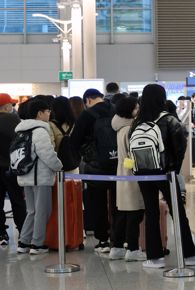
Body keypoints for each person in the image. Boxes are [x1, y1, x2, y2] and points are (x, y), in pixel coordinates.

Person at [133, 84, 195, 268]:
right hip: (166, 173)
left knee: (151, 211)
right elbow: (180, 145)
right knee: (177, 212)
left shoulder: (138, 121)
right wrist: (173, 167)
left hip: (143, 173)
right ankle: (189, 255)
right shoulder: (168, 119)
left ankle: (154, 257)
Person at [71, 88, 117, 253]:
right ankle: (118, 239)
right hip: (118, 165)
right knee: (118, 202)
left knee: (97, 203)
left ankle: (103, 240)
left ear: (88, 100)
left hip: (95, 166)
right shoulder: (115, 110)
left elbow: (75, 141)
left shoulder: (87, 115)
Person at [15, 99, 63, 255]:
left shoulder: (22, 130)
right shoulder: (40, 131)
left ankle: (23, 242)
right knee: (42, 210)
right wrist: (58, 167)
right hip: (40, 177)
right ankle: (37, 244)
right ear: (39, 113)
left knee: (31, 210)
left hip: (25, 175)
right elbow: (47, 154)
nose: (49, 114)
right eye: (47, 111)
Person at [108, 96, 147, 261]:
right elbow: (136, 154)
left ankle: (117, 247)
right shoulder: (131, 129)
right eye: (136, 108)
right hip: (132, 175)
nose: (138, 110)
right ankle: (132, 248)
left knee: (123, 213)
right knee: (134, 213)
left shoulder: (120, 128)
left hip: (122, 174)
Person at [0, 93, 25, 246]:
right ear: (6, 106)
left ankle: (1, 233)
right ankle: (23, 232)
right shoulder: (13, 120)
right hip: (11, 167)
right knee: (17, 200)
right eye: (11, 104)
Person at [50, 97, 78, 172]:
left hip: (57, 168)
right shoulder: (75, 123)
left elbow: (51, 147)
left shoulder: (51, 125)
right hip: (74, 164)